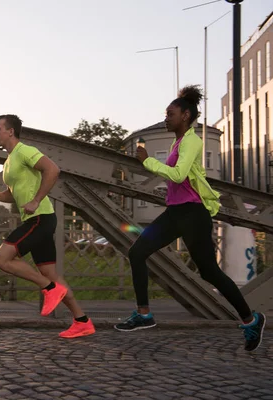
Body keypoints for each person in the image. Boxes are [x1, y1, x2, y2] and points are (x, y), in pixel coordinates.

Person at [114, 85, 266, 352]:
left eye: (170, 113)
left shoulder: (193, 141)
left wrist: (148, 161)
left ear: (185, 115)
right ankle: (144, 314)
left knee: (209, 272)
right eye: (166, 114)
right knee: (137, 252)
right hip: (175, 213)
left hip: (193, 214)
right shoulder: (177, 142)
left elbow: (178, 175)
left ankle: (251, 319)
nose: (166, 118)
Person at [0, 114, 95, 338]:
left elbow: (53, 170)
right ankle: (82, 321)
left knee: (2, 259)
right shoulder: (8, 162)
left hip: (41, 218)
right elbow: (15, 195)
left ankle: (49, 289)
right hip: (36, 219)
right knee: (53, 275)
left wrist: (36, 200)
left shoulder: (24, 151)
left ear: (10, 132)